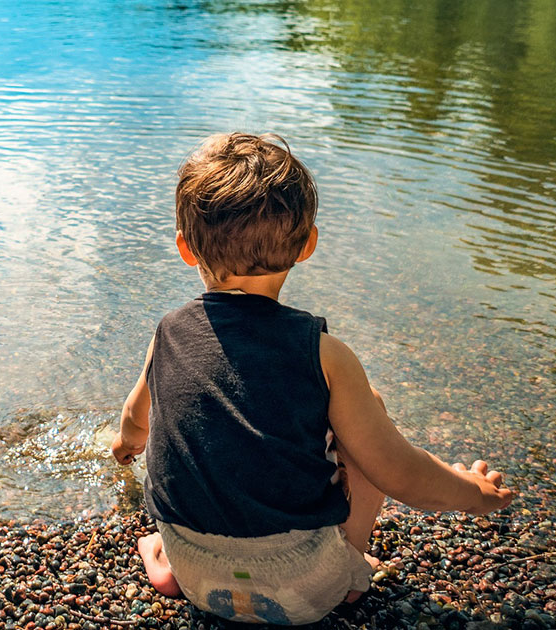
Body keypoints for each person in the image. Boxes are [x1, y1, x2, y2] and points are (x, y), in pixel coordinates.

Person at [110, 132, 515, 625]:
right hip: (304, 589)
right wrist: (475, 493)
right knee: (369, 409)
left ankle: (166, 562)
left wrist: (125, 447)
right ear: (307, 245)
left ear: (185, 250)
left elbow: (136, 419)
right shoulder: (324, 354)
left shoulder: (167, 334)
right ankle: (351, 568)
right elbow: (401, 473)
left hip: (197, 576)